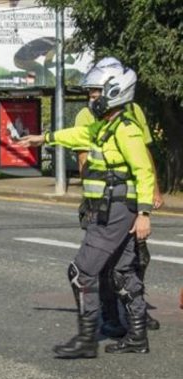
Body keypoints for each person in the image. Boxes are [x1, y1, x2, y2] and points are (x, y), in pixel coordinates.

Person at [17, 59, 155, 358]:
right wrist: (45, 138)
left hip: (116, 211)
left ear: (113, 91)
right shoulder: (106, 127)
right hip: (112, 209)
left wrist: (144, 213)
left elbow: (144, 170)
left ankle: (87, 340)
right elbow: (78, 136)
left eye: (94, 93)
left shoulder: (126, 130)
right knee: (121, 273)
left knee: (81, 272)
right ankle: (137, 337)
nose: (91, 98)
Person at [73, 57, 163, 339]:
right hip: (103, 199)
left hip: (131, 199)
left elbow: (144, 152)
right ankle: (110, 316)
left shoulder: (133, 109)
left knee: (135, 257)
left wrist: (154, 189)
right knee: (103, 261)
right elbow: (84, 157)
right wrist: (94, 196)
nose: (93, 95)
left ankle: (136, 311)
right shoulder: (87, 114)